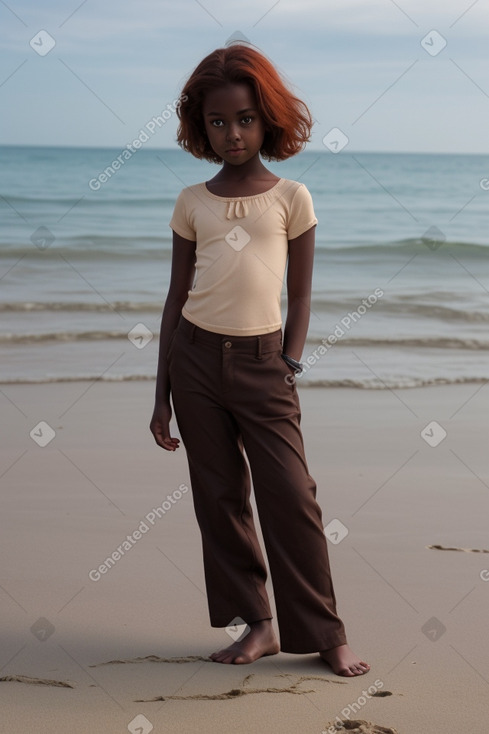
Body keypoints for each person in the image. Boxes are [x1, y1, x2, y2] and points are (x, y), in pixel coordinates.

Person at [150, 43, 370, 677]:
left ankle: (326, 633)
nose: (233, 133)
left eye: (245, 118)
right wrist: (161, 394)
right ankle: (260, 626)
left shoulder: (292, 197)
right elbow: (175, 297)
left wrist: (289, 363)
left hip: (264, 363)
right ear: (200, 125)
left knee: (292, 496)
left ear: (266, 118)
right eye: (218, 122)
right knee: (218, 497)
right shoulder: (192, 200)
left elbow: (299, 295)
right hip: (193, 362)